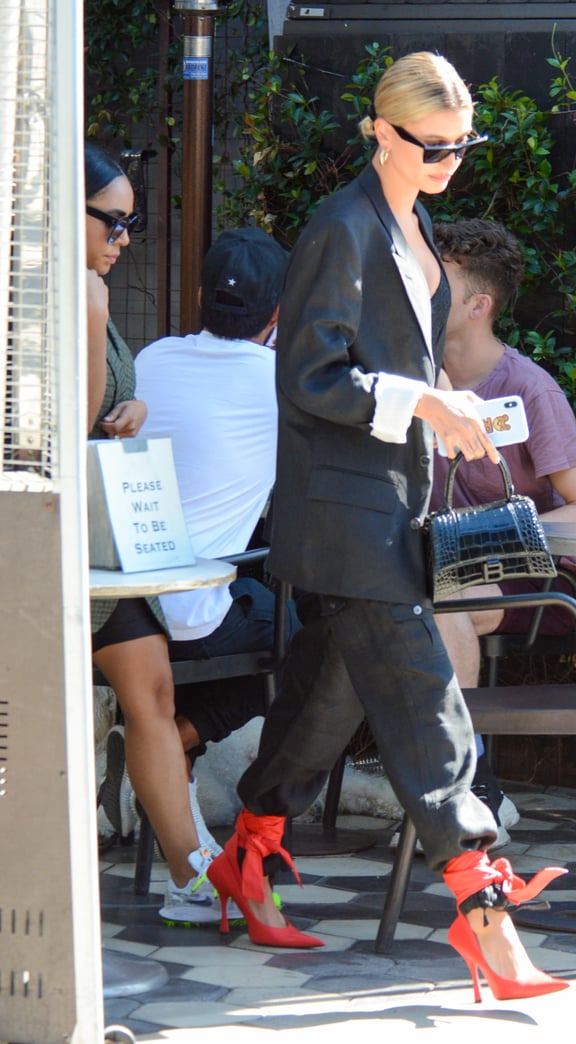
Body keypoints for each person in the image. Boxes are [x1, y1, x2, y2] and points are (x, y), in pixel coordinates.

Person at [205, 52, 570, 997]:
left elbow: (400, 361)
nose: (450, 160)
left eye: (462, 146)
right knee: (423, 699)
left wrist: (453, 406)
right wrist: (418, 405)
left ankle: (249, 853)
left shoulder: (414, 221)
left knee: (328, 698)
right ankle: (486, 913)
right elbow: (311, 376)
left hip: (393, 505)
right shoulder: (342, 225)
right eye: (432, 145)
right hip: (347, 513)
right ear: (381, 129)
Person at [133, 228, 300, 923]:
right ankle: (173, 743)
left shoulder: (149, 358)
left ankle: (164, 751)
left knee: (261, 606)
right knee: (300, 649)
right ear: (279, 313)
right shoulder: (282, 382)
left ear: (200, 297)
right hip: (198, 610)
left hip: (124, 602)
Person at [429, 217, 576, 844]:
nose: (421, 285)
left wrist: (480, 537)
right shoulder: (411, 381)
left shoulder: (529, 388)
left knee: (445, 599)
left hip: (537, 580)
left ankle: (469, 777)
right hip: (431, 564)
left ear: (478, 305)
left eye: (438, 279)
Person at [85, 142, 218, 923]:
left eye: (131, 223)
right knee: (144, 694)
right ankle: (191, 873)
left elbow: (97, 418)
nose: (125, 238)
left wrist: (127, 414)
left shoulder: (89, 294)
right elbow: (59, 430)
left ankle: (192, 875)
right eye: (113, 221)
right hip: (52, 539)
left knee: (154, 694)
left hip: (100, 541)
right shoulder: (61, 300)